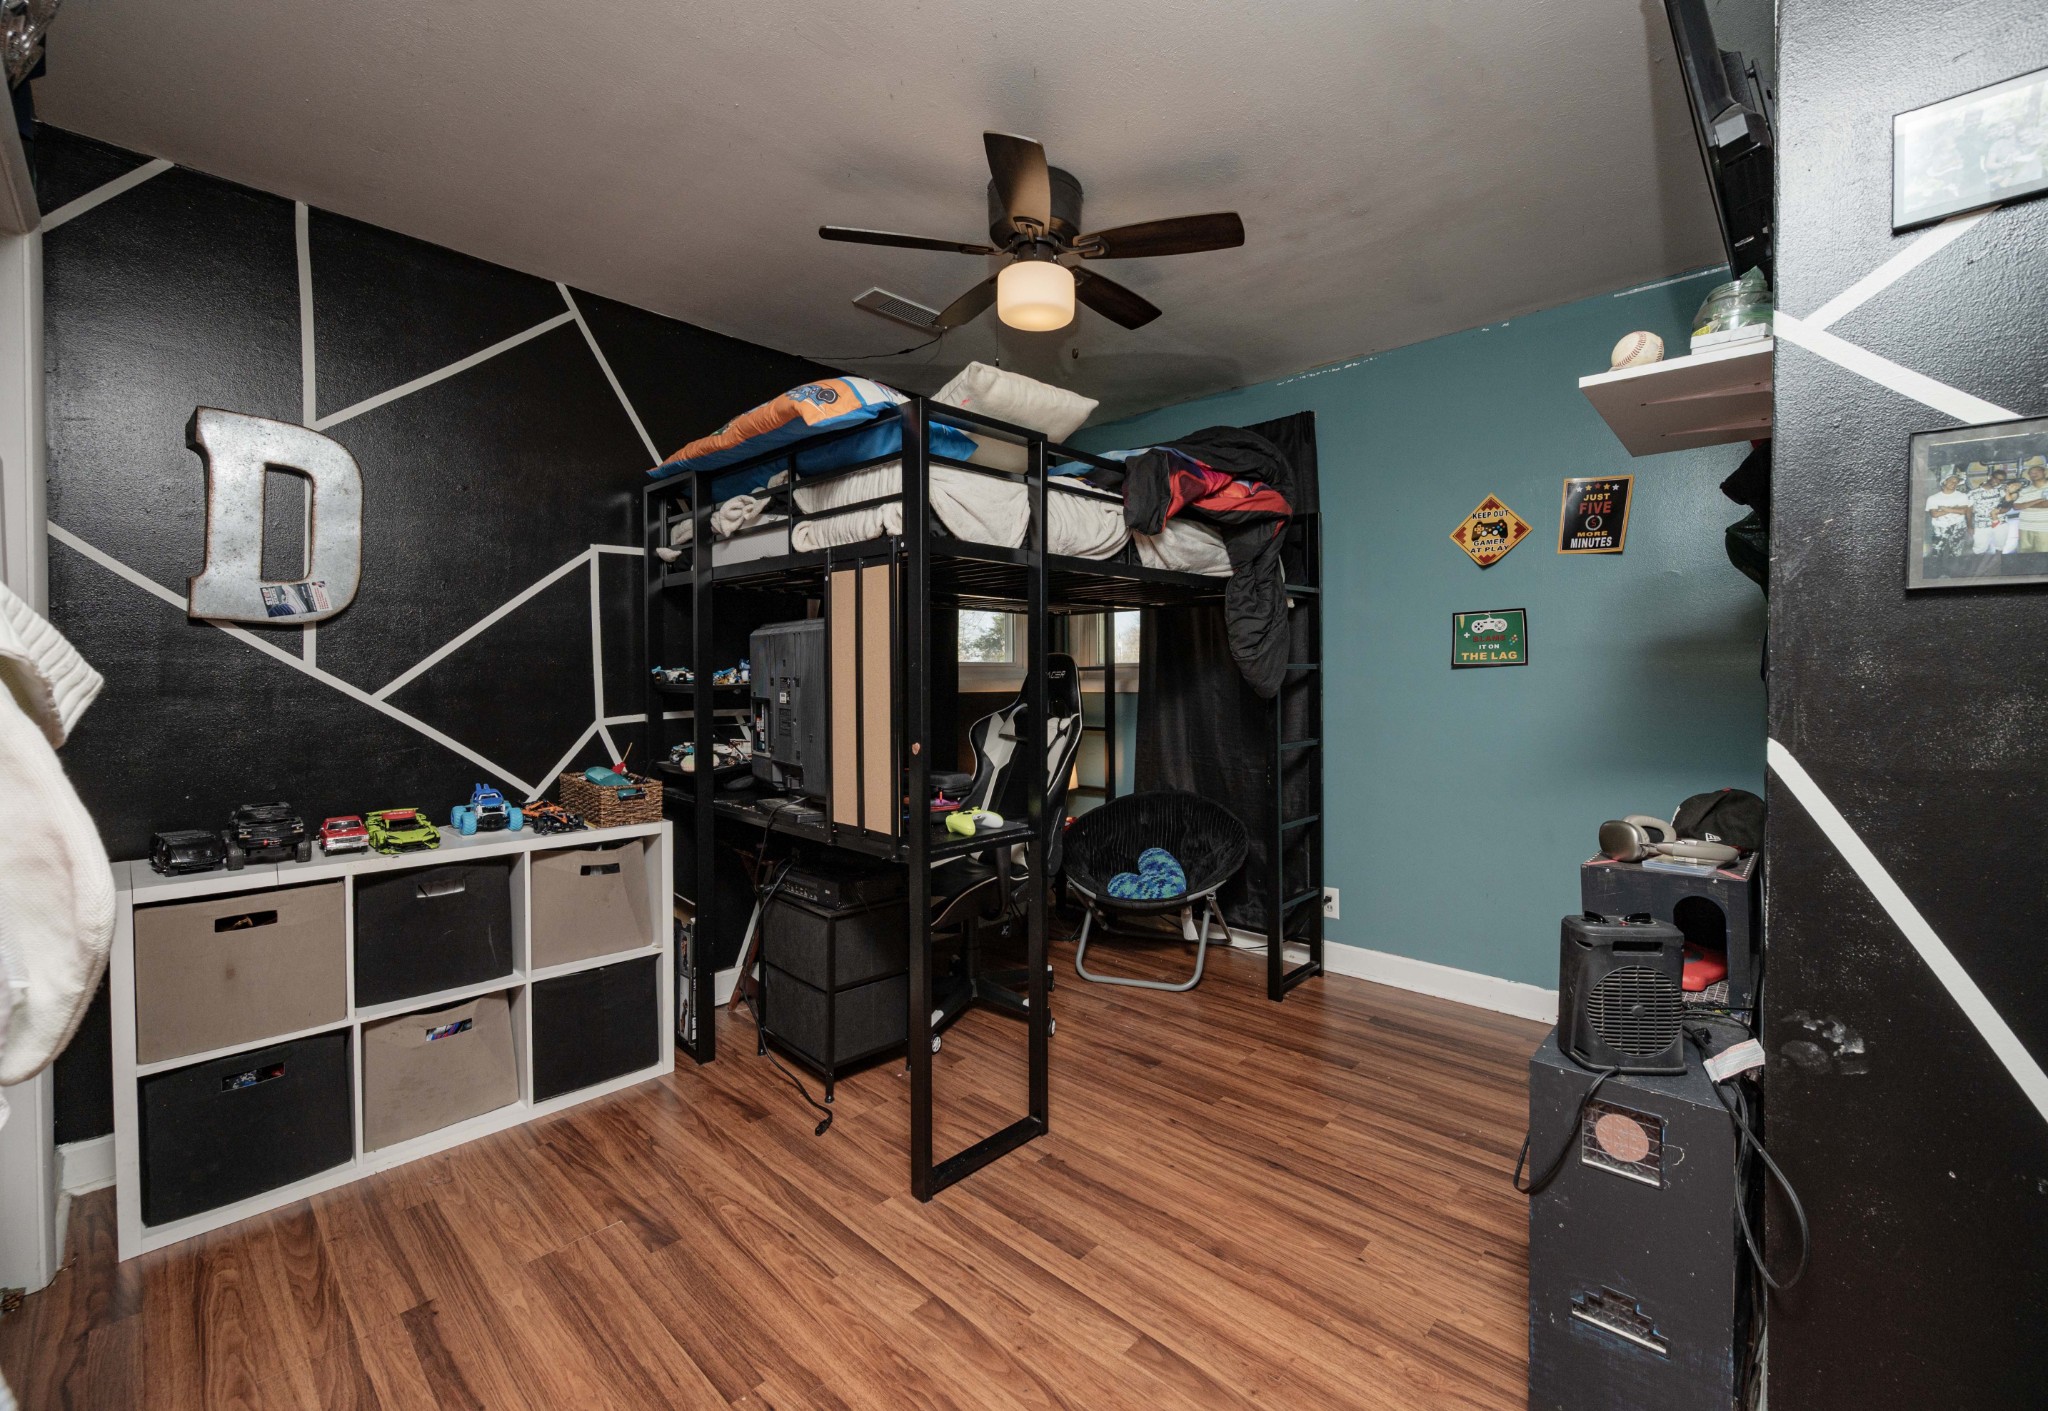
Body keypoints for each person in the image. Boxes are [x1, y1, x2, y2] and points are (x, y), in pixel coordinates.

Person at [1924, 469, 1973, 573]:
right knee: (1937, 551)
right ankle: (1938, 573)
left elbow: (1964, 511)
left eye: (1956, 482)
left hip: (1958, 527)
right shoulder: (1933, 498)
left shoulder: (1962, 496)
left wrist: (1945, 508)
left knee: (1956, 552)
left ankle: (1952, 573)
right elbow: (1934, 514)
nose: (1954, 483)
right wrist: (1955, 508)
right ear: (1945, 482)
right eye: (1951, 481)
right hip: (1940, 528)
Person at [1967, 463, 2008, 555]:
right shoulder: (1973, 493)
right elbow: (1968, 511)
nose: (1998, 481)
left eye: (2001, 480)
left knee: (2000, 546)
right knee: (1979, 549)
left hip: (2000, 522)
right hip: (1981, 524)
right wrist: (1969, 526)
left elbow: (2008, 503)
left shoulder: (2002, 490)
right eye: (1996, 478)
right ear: (1990, 477)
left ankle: (1998, 562)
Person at [2016, 457, 2048, 554]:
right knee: (2024, 555)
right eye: (2031, 472)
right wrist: (2038, 501)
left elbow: (2046, 504)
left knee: (2043, 556)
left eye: (2037, 471)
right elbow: (2016, 506)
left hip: (2044, 528)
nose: (2034, 473)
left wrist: (2025, 505)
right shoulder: (2024, 490)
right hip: (2025, 527)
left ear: (2044, 472)